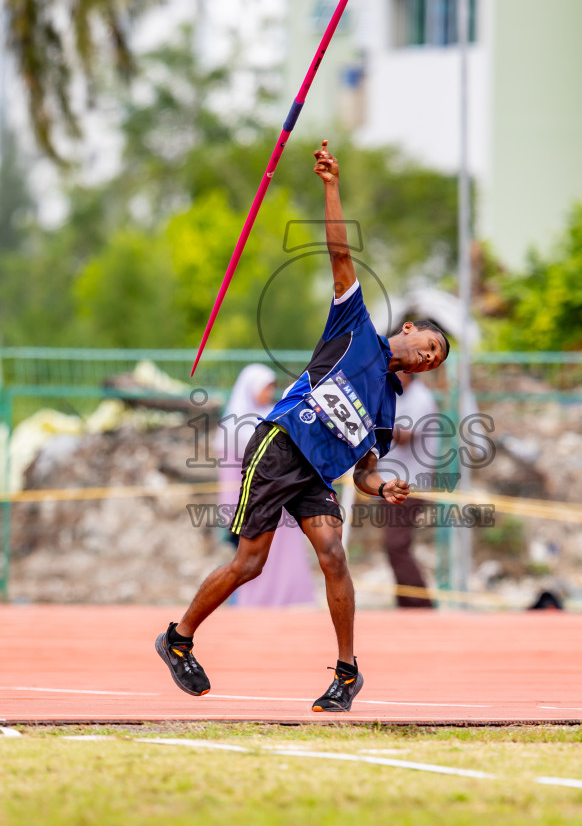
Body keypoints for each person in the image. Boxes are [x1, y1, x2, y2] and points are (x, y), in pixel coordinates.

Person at [156, 140, 450, 712]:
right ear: (410, 329)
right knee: (250, 563)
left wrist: (382, 484)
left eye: (434, 360)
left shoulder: (387, 408)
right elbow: (340, 254)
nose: (426, 358)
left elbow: (365, 471)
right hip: (280, 445)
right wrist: (331, 186)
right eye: (428, 345)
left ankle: (347, 672)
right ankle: (178, 638)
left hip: (318, 474)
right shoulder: (355, 328)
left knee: (333, 555)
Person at [216, 363, 316, 607]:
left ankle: (284, 599)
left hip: (279, 498)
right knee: (247, 556)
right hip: (250, 502)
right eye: (266, 387)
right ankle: (246, 603)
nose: (269, 392)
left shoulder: (273, 414)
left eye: (272, 387)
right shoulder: (235, 423)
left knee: (278, 554)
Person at [377, 370, 439, 608]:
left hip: (409, 484)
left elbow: (404, 437)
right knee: (395, 546)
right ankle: (408, 603)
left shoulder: (419, 398)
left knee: (396, 545)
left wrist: (372, 423)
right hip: (394, 482)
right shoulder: (401, 397)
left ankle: (419, 605)